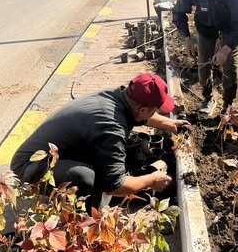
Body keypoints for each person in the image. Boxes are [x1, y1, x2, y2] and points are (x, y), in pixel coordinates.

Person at [10, 73, 189, 208]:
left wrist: (171, 124)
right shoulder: (111, 125)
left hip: (61, 153)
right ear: (142, 110)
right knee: (86, 178)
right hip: (30, 166)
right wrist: (151, 180)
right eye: (154, 110)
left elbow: (142, 115)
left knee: (130, 152)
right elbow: (114, 185)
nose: (155, 113)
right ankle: (89, 216)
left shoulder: (118, 96)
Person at [172, 0, 238, 115]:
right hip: (206, 25)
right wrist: (187, 38)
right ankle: (208, 98)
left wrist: (226, 49)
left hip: (231, 26)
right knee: (203, 64)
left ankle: (228, 104)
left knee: (231, 66)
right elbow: (178, 13)